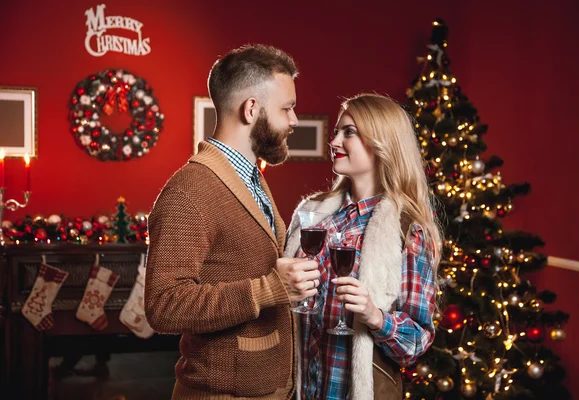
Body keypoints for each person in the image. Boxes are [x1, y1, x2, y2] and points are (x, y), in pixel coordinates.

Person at [144, 44, 320, 399]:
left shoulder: (250, 177)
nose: (295, 120)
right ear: (251, 108)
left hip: (264, 389)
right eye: (287, 108)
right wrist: (269, 288)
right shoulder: (189, 190)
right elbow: (163, 305)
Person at [284, 93, 441, 399]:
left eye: (349, 132)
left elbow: (416, 343)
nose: (334, 142)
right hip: (295, 391)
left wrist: (375, 316)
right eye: (336, 132)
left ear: (382, 142)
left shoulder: (408, 230)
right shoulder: (312, 212)